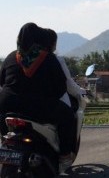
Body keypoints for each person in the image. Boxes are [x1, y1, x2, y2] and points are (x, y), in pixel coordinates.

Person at [0, 23, 76, 173]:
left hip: (6, 104)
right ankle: (65, 156)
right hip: (37, 108)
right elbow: (61, 87)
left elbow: (1, 81)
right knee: (68, 116)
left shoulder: (11, 56)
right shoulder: (47, 57)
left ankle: (5, 142)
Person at [43, 28, 86, 108]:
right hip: (53, 104)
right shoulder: (57, 60)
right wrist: (81, 91)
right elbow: (69, 84)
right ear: (53, 43)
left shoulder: (27, 60)